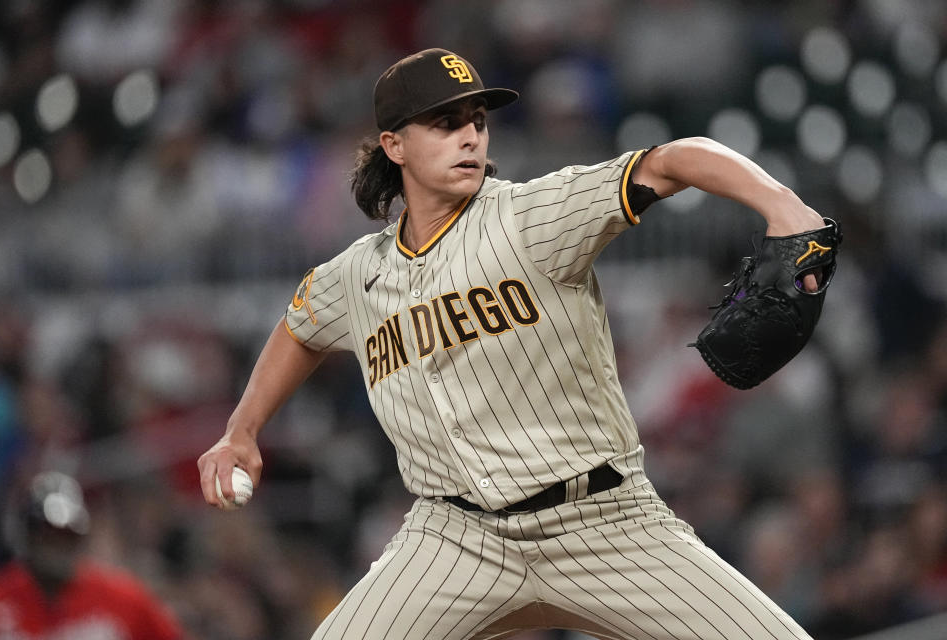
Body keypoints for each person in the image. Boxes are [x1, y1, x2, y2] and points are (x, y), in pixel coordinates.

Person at [198, 48, 825, 639]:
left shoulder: (534, 217)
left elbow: (670, 161)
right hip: (453, 539)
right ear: (394, 146)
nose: (471, 136)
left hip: (604, 522)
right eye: (445, 124)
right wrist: (242, 429)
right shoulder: (356, 276)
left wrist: (782, 204)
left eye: (476, 120)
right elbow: (299, 327)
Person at [0, 471, 182, 640]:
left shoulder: (125, 598)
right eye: (48, 535)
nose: (57, 546)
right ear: (28, 536)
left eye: (67, 535)